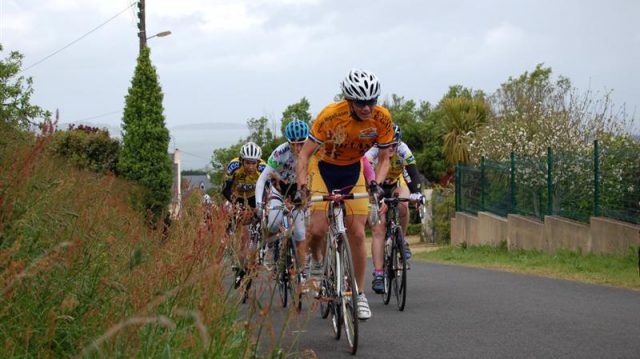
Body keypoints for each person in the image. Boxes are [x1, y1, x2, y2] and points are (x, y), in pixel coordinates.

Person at [296, 69, 394, 320]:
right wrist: (302, 185)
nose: (367, 107)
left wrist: (377, 185)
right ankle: (317, 263)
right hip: (323, 168)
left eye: (372, 101)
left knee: (358, 233)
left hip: (353, 170)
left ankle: (358, 294)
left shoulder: (381, 119)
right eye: (361, 102)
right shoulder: (330, 116)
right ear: (349, 100)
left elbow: (384, 159)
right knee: (317, 229)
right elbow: (305, 155)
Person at [365, 123, 424, 294]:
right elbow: (365, 171)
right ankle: (378, 273)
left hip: (396, 184)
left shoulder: (403, 149)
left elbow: (413, 173)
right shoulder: (373, 151)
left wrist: (417, 193)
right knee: (378, 229)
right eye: (388, 144)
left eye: (394, 144)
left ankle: (402, 240)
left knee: (403, 205)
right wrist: (374, 197)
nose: (391, 148)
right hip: (376, 188)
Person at [255, 120, 310, 279]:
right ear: (288, 142)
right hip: (279, 191)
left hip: (298, 192)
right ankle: (272, 248)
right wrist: (259, 204)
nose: (298, 148)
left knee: (300, 233)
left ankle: (301, 271)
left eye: (302, 143)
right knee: (273, 222)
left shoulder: (312, 151)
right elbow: (262, 179)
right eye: (294, 144)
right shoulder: (280, 153)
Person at [221, 141, 266, 288]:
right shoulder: (234, 166)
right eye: (247, 163)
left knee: (264, 218)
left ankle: (260, 246)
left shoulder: (263, 168)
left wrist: (264, 206)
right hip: (238, 196)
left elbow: (270, 188)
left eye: (254, 163)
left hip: (255, 197)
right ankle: (240, 266)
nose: (251, 167)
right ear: (242, 161)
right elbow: (225, 189)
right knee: (243, 233)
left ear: (258, 162)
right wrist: (235, 206)